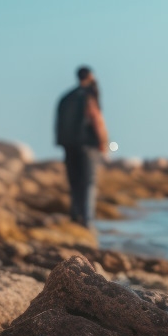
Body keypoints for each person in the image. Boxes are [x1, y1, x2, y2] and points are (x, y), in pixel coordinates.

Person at [55, 66, 109, 231]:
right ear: (91, 76)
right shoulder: (89, 95)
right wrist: (103, 143)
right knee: (89, 182)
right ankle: (87, 222)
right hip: (87, 145)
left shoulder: (65, 97)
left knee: (75, 182)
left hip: (69, 144)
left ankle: (75, 216)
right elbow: (96, 119)